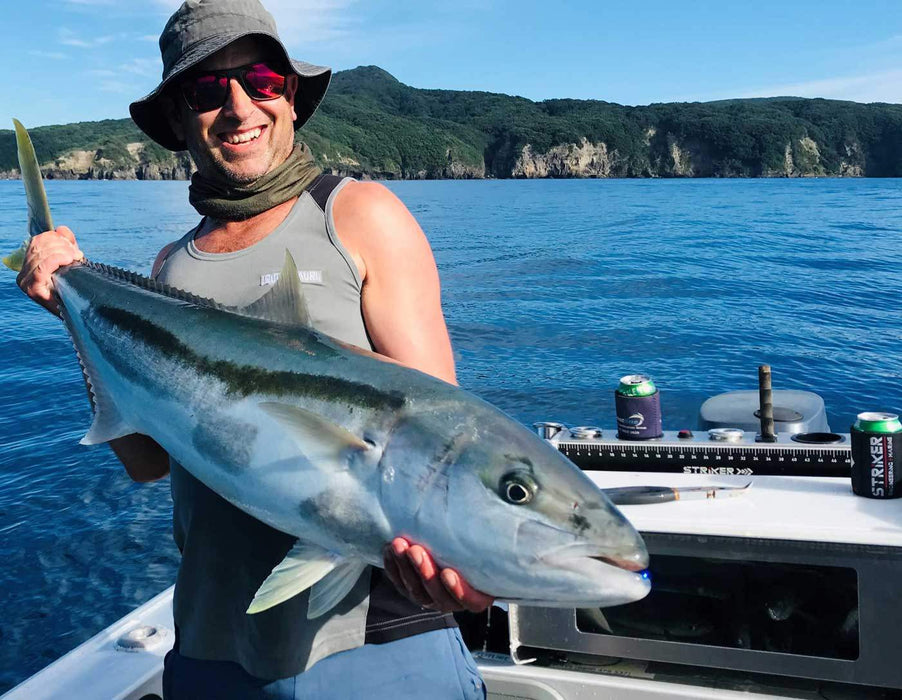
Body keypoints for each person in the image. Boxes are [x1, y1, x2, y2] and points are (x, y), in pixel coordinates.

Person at [17, 1, 491, 697]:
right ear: (179, 120)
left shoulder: (359, 216)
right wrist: (74, 314)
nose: (239, 108)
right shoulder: (169, 270)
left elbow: (437, 437)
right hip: (213, 641)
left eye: (262, 79)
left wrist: (477, 561)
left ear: (290, 95)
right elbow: (147, 461)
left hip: (377, 636)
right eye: (207, 91)